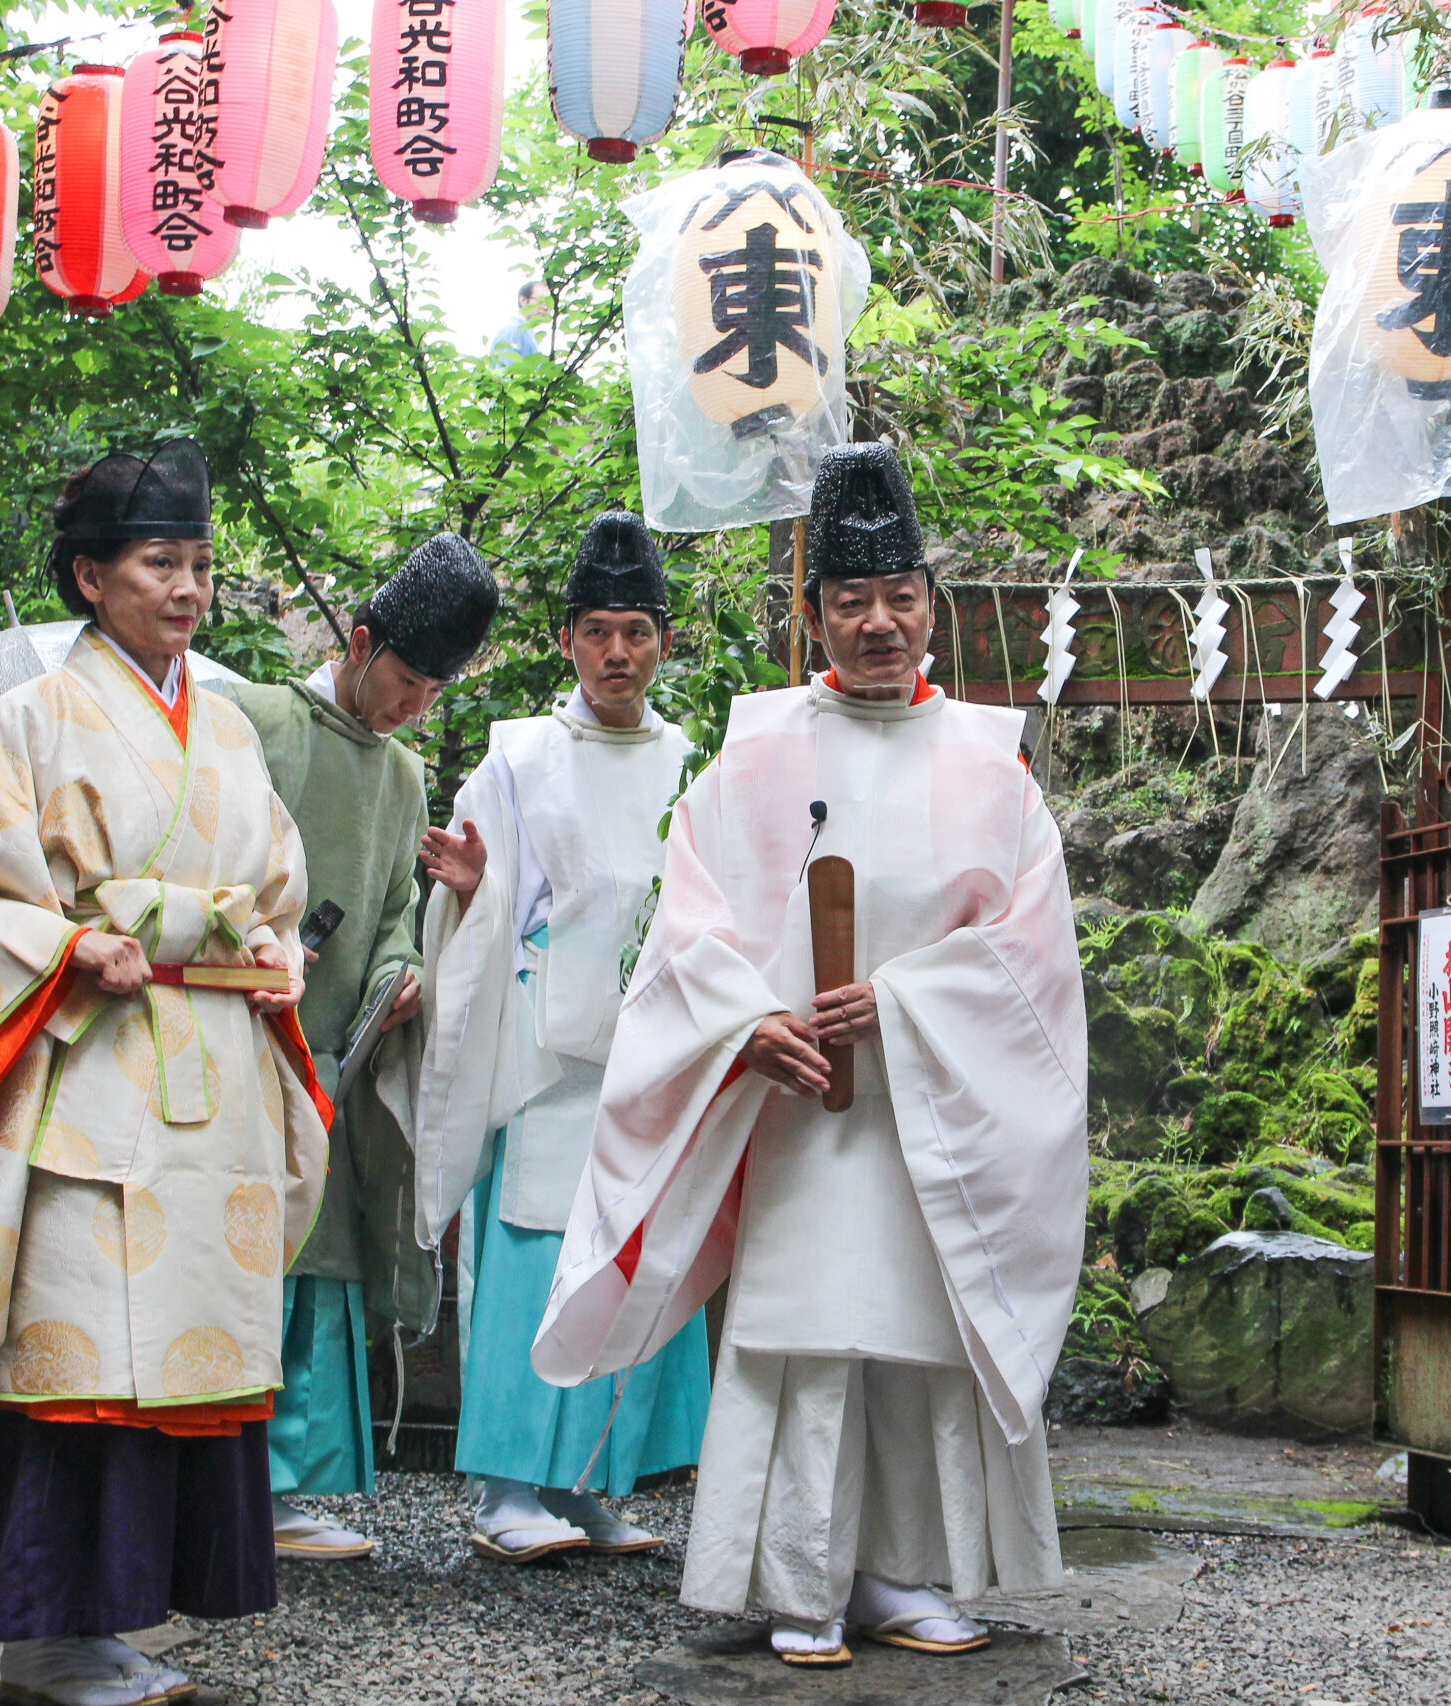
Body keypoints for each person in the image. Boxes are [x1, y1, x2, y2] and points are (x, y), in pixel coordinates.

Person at [531, 446, 1088, 1665]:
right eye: (851, 601)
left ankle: (907, 1573)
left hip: (934, 1103)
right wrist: (745, 1021)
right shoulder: (760, 750)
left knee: (926, 1334)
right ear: (814, 614)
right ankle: (797, 1580)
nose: (879, 622)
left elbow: (1032, 952)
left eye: (900, 597)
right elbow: (689, 928)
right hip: (794, 1096)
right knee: (804, 1331)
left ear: (931, 604)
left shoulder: (993, 765)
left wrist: (908, 1002)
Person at [0, 441, 329, 1706]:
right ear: (89, 577)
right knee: (79, 1360)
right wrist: (62, 941)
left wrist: (271, 949)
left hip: (206, 1073)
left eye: (202, 564)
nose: (188, 588)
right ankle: (46, 1631)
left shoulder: (222, 722)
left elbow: (274, 881)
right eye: (160, 562)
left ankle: (111, 1619)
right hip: (85, 1074)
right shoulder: (32, 719)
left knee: (184, 1361)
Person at [414, 512, 710, 1564]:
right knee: (538, 1248)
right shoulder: (519, 755)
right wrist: (468, 886)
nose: (618, 652)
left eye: (636, 630)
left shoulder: (697, 759)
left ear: (664, 641)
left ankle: (591, 1482)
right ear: (567, 641)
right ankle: (506, 1485)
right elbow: (487, 888)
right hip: (546, 1047)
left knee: (629, 1256)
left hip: (655, 1048)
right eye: (596, 630)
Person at [228, 535, 499, 1561]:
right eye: (406, 677)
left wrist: (401, 978)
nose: (413, 705)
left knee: (324, 1247)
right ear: (360, 639)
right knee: (246, 1246)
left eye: (433, 689)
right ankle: (223, 1472)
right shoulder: (254, 722)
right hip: (243, 1023)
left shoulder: (403, 774)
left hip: (337, 1049)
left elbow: (396, 911)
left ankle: (289, 1484)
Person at [488, 279, 550, 364]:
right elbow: (508, 373)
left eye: (549, 302)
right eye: (540, 300)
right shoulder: (512, 331)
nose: (545, 307)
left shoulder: (528, 335)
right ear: (523, 300)